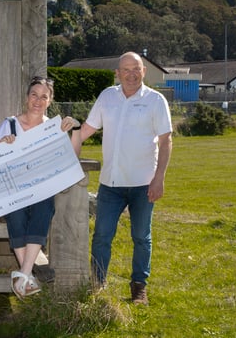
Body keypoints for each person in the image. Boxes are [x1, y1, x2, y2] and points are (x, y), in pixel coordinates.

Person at [71, 52, 173, 305]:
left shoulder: (155, 100)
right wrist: (61, 142)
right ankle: (98, 283)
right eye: (126, 69)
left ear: (144, 71)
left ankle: (139, 287)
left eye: (136, 68)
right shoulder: (107, 96)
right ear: (117, 72)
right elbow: (85, 131)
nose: (131, 74)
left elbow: (166, 140)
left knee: (141, 236)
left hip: (143, 184)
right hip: (111, 184)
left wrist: (159, 178)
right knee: (102, 236)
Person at [0, 76, 80, 299]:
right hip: (13, 189)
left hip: (40, 190)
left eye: (44, 96)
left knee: (44, 205)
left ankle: (23, 273)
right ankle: (27, 274)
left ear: (50, 101)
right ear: (26, 97)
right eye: (34, 95)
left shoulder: (54, 128)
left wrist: (74, 131)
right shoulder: (9, 124)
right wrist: (1, 145)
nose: (38, 100)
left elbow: (71, 158)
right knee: (14, 212)